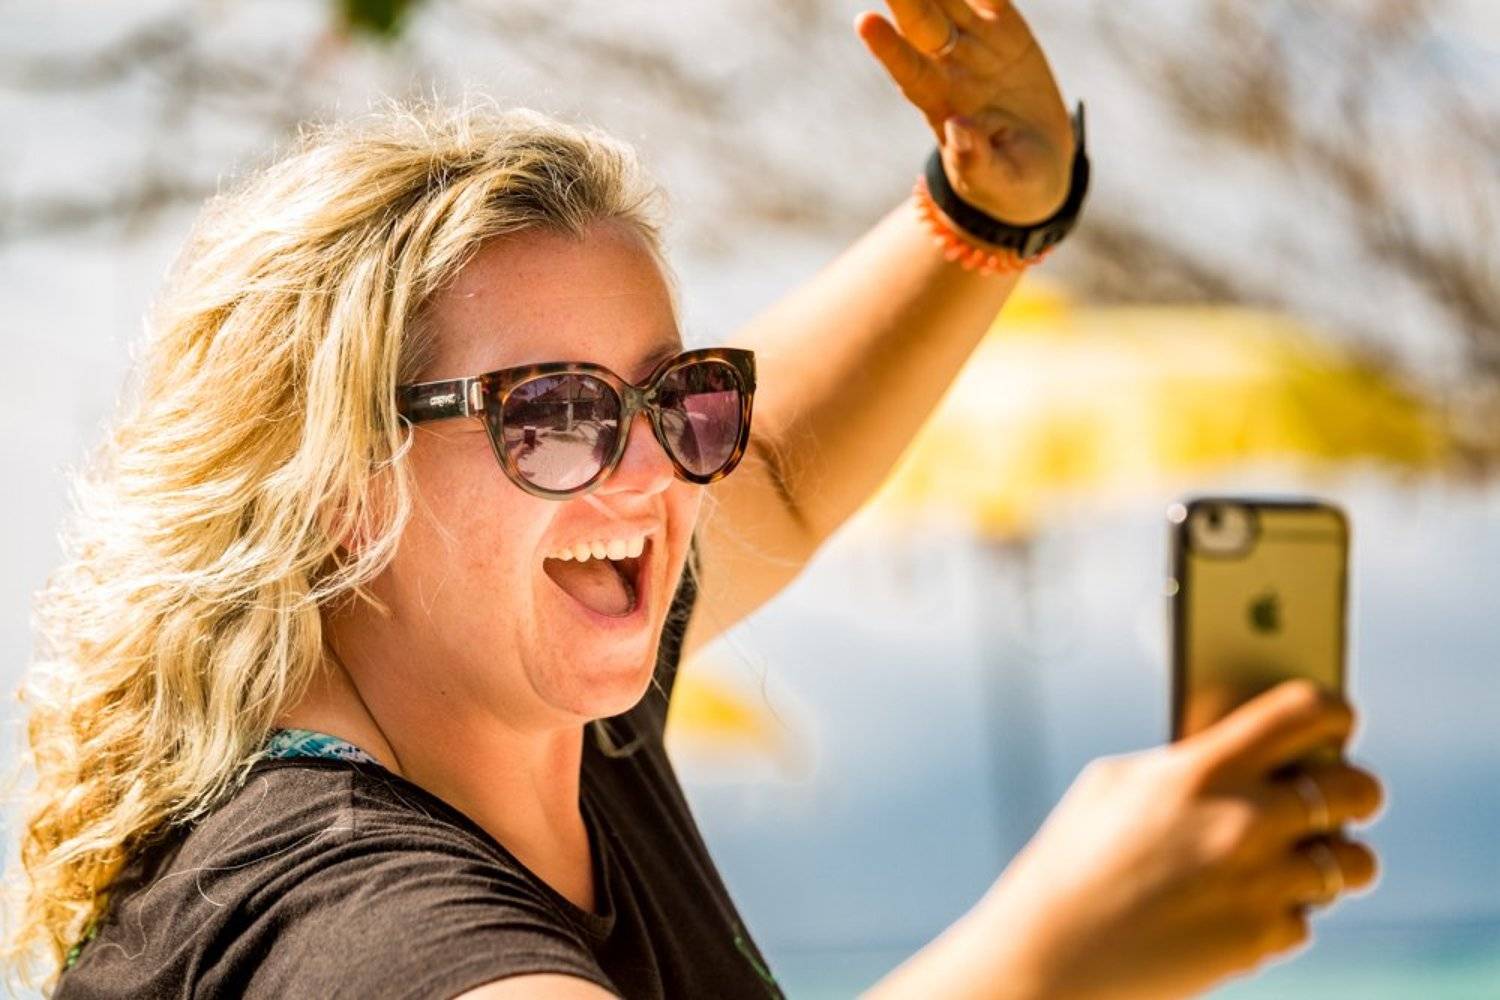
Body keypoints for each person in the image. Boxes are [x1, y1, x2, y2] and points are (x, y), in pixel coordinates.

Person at [6, 2, 1383, 998]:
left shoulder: (538, 716)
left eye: (679, 398)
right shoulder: (346, 916)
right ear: (336, 484)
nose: (658, 471)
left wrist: (992, 205)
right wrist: (1053, 958)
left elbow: (779, 471)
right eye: (553, 415)